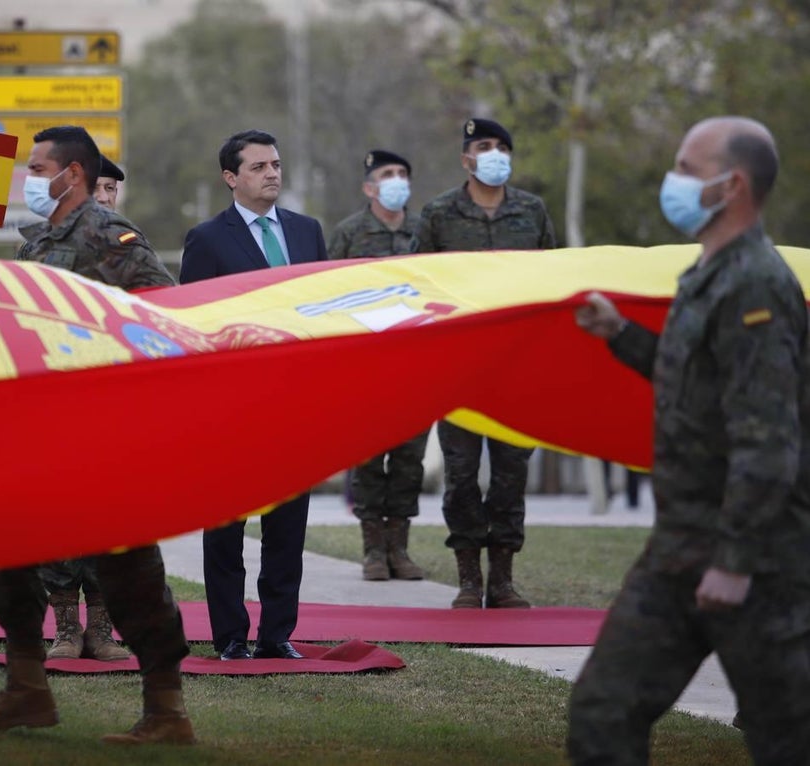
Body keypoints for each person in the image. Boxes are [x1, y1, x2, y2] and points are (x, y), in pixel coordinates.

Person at [569, 116, 810, 764]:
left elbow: (768, 439)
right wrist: (620, 333)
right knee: (603, 712)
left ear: (731, 186)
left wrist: (734, 562)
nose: (671, 182)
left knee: (788, 738)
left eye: (685, 168)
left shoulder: (755, 282)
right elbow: (696, 381)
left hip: (756, 562)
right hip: (681, 549)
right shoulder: (710, 272)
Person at [0, 126, 194, 746]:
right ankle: (27, 688)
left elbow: (160, 312)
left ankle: (166, 709)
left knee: (128, 570)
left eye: (38, 167)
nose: (29, 178)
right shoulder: (37, 244)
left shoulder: (108, 236)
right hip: (41, 432)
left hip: (103, 436)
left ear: (74, 173)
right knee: (4, 548)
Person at [180, 128, 327, 660]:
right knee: (226, 529)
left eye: (276, 165)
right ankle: (230, 636)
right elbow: (193, 324)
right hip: (232, 408)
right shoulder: (208, 239)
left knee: (288, 528)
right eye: (260, 166)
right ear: (230, 177)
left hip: (295, 404)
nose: (272, 174)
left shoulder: (307, 232)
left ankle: (276, 633)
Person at [411, 117, 556, 609]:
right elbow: (417, 284)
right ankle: (469, 578)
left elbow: (551, 282)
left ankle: (504, 579)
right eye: (484, 146)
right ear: (466, 158)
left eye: (501, 147)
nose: (495, 153)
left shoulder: (532, 212)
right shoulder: (439, 214)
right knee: (461, 472)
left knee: (512, 472)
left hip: (518, 366)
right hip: (459, 367)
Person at [33, 152, 135, 665]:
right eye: (100, 187)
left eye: (113, 190)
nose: (105, 196)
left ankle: (100, 628)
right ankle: (66, 628)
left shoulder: (126, 245)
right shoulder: (39, 246)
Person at [328, 148, 430, 581]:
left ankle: (399, 548)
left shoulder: (426, 230)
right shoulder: (349, 233)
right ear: (369, 186)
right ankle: (373, 550)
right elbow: (327, 294)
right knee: (368, 456)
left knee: (409, 458)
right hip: (366, 364)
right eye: (388, 174)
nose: (397, 180)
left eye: (403, 173)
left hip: (416, 362)